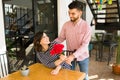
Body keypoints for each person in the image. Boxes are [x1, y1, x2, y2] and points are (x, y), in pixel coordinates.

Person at [55, 1, 92, 80]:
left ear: (80, 13)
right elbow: (61, 38)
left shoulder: (86, 27)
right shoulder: (66, 25)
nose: (70, 16)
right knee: (70, 76)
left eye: (73, 13)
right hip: (69, 56)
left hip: (83, 57)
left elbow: (85, 45)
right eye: (69, 13)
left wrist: (73, 56)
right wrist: (52, 44)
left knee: (84, 76)